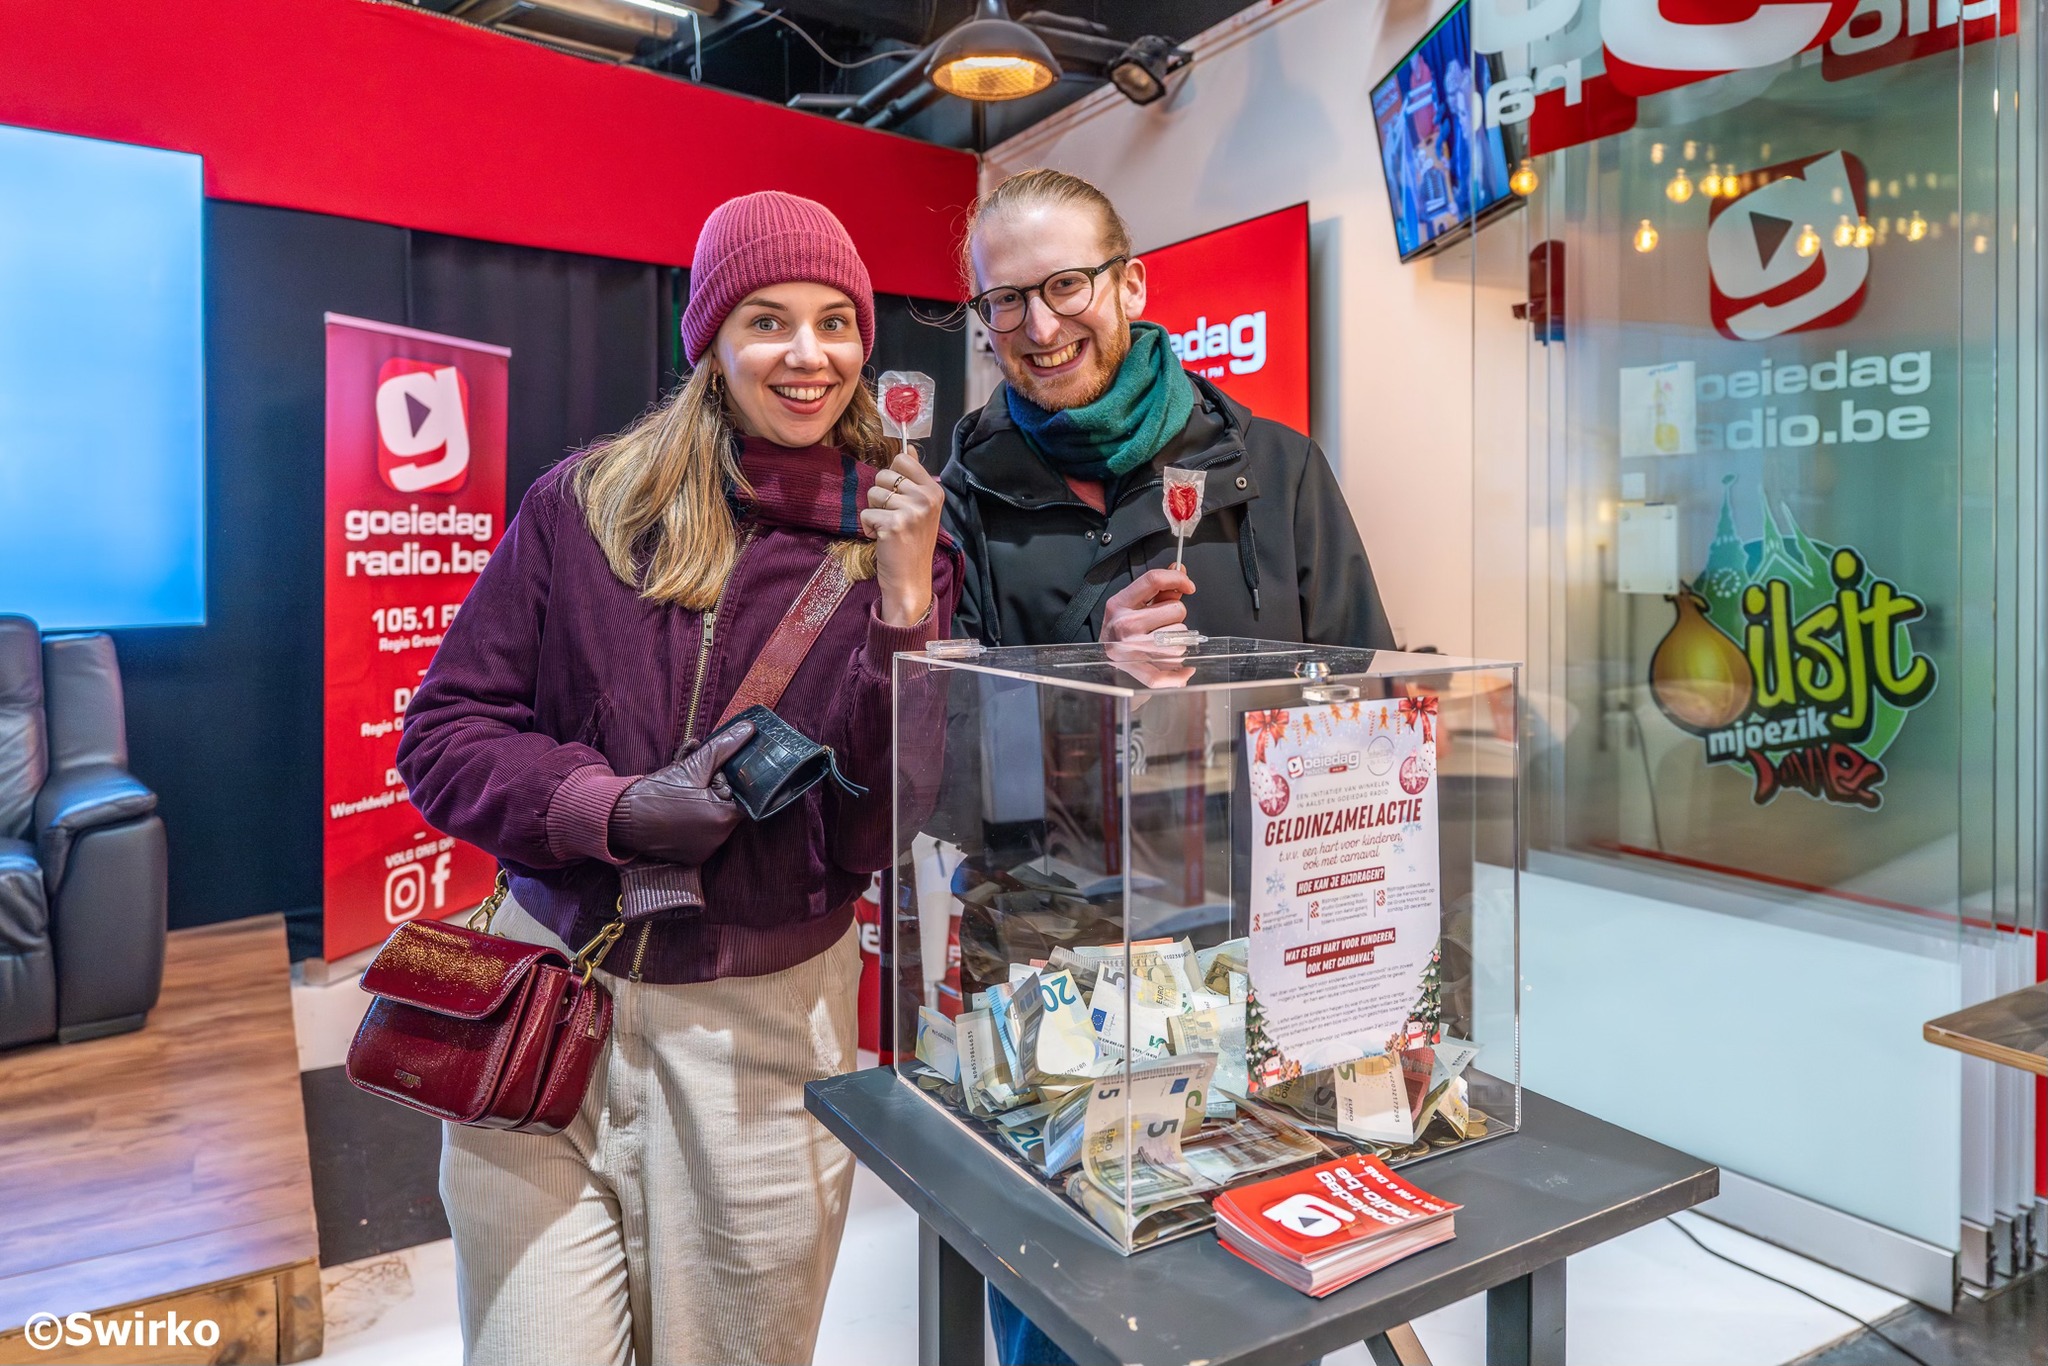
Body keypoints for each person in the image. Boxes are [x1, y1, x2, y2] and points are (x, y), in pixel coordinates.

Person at [395, 190, 956, 1366]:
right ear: (707, 339)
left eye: (834, 323)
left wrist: (904, 610)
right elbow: (446, 730)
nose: (807, 356)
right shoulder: (585, 504)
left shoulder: (898, 541)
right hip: (546, 1004)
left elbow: (880, 828)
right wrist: (605, 808)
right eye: (766, 319)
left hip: (759, 1041)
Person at [941, 167, 1391, 1366]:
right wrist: (1088, 676)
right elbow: (940, 757)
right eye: (1004, 305)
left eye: (1065, 286)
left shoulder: (1274, 468)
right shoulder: (963, 501)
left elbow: (1367, 701)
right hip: (1053, 951)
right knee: (1061, 1296)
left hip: (1255, 945)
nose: (1038, 329)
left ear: (1130, 282)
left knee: (1257, 1285)